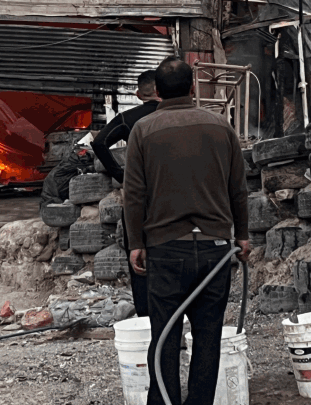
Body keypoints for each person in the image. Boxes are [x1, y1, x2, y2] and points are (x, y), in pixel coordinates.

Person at [124, 57, 250, 405]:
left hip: (166, 250)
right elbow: (238, 188)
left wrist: (136, 243)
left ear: (157, 92)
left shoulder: (143, 131)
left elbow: (133, 194)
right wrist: (242, 236)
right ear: (193, 88)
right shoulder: (220, 127)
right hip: (215, 249)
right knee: (208, 338)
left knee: (164, 337)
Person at [91, 69, 160, 315]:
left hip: (141, 200)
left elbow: (99, 143)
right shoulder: (182, 116)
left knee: (140, 262)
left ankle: (146, 318)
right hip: (177, 201)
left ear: (140, 94)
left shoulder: (130, 119)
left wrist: (119, 173)